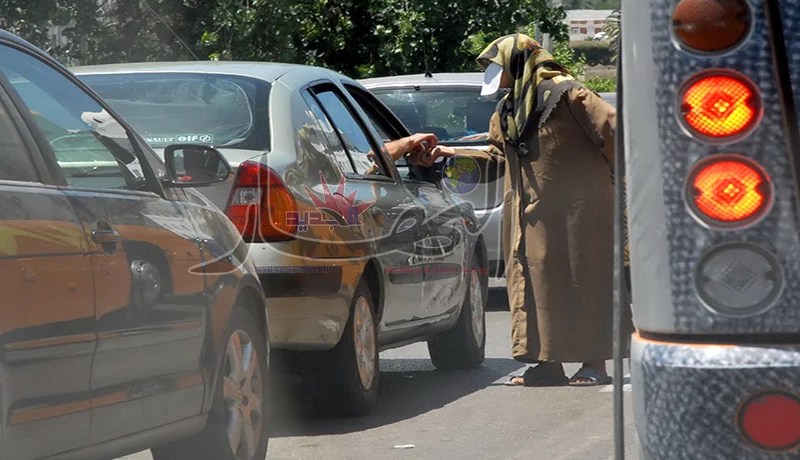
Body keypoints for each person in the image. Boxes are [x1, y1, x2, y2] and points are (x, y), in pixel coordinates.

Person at [427, 33, 629, 386]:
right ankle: (547, 363)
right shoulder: (510, 107)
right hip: (530, 215)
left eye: (497, 65)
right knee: (537, 284)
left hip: (581, 213)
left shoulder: (569, 94)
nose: (494, 73)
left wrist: (608, 175)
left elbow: (613, 129)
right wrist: (448, 153)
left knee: (586, 280)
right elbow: (497, 154)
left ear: (518, 61)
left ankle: (594, 363)